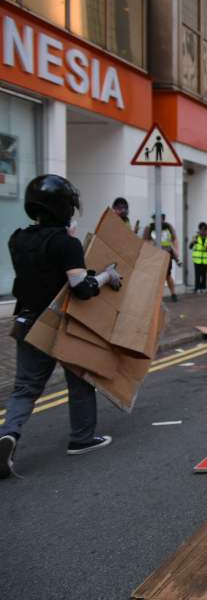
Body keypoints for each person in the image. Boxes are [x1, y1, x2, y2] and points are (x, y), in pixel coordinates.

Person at [1, 175, 123, 479]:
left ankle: (8, 435)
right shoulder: (66, 243)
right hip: (60, 323)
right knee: (79, 379)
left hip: (26, 319)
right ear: (64, 207)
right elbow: (80, 288)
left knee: (25, 387)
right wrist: (107, 276)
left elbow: (42, 270)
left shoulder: (17, 238)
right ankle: (82, 438)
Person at [143, 213, 179, 302]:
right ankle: (156, 296)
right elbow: (145, 240)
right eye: (156, 219)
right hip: (154, 255)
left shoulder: (168, 227)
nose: (158, 221)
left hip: (167, 254)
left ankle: (173, 294)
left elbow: (174, 239)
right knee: (155, 276)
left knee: (167, 275)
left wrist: (176, 252)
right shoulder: (149, 228)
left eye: (160, 219)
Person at [189, 222, 207, 294]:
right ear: (199, 230)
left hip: (205, 259)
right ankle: (197, 288)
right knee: (197, 274)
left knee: (204, 274)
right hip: (197, 259)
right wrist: (193, 242)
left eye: (205, 230)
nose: (203, 231)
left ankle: (203, 287)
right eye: (202, 230)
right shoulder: (195, 237)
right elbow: (190, 247)